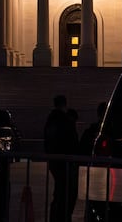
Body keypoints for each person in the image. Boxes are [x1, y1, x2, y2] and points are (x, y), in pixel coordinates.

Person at [44, 94, 79, 222]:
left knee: (60, 190)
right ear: (65, 104)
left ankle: (56, 216)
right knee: (65, 191)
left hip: (55, 159)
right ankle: (62, 216)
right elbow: (72, 141)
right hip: (65, 161)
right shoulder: (65, 120)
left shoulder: (51, 120)